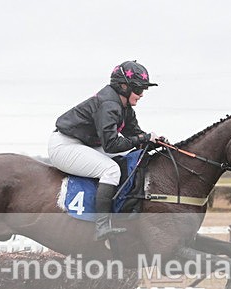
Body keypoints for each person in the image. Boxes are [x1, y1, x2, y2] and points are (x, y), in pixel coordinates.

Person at [49, 60, 161, 240]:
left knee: (131, 156)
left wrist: (151, 142)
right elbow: (111, 145)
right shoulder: (109, 104)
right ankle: (101, 226)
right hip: (65, 145)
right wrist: (142, 139)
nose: (142, 95)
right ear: (124, 86)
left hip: (85, 144)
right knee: (111, 170)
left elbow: (135, 134)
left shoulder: (124, 106)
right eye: (139, 89)